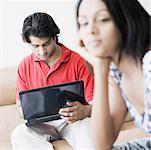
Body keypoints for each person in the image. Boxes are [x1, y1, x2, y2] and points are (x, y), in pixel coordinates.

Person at [11, 12, 94, 150]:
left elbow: (96, 104)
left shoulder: (78, 61)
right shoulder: (24, 66)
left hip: (73, 122)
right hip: (42, 126)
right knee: (19, 134)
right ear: (28, 43)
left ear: (55, 37)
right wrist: (28, 111)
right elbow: (20, 108)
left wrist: (85, 110)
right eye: (35, 46)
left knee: (87, 127)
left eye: (46, 44)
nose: (42, 51)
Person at [76, 0, 151, 149]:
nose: (91, 30)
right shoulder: (117, 74)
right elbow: (102, 144)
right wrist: (99, 67)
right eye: (84, 23)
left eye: (103, 19)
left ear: (126, 21)